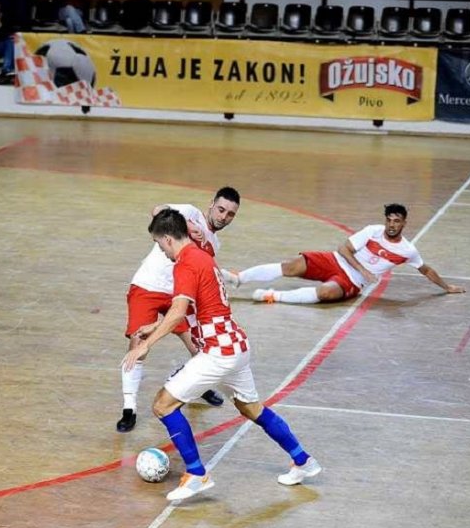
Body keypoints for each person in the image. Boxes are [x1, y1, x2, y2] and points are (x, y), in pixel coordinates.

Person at [123, 208, 322, 502]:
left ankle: (196, 474)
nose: (161, 251)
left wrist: (146, 343)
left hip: (218, 351)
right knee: (251, 409)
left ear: (167, 239)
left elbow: (178, 312)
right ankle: (304, 461)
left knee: (163, 405)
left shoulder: (184, 264)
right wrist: (154, 324)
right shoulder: (202, 256)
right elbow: (195, 307)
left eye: (158, 243)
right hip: (236, 344)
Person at [117, 187, 241, 433]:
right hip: (148, 286)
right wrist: (188, 226)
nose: (223, 217)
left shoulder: (214, 242)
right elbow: (157, 212)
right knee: (138, 345)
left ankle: (197, 384)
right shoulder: (189, 212)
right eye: (220, 209)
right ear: (211, 204)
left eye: (230, 214)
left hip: (179, 295)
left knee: (200, 346)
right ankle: (129, 408)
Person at [223, 203, 465, 304]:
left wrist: (447, 287)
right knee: (292, 265)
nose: (392, 225)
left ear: (404, 223)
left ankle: (272, 296)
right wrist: (364, 269)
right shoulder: (372, 231)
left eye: (397, 221)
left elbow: (426, 269)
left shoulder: (407, 250)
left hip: (351, 281)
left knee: (327, 293)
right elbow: (344, 249)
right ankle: (239, 278)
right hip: (336, 260)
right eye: (389, 220)